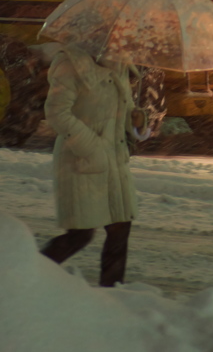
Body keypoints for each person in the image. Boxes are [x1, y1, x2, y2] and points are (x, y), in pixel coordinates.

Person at [39, 43, 146, 287]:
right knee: (80, 234)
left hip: (114, 160)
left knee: (120, 227)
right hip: (81, 159)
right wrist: (92, 147)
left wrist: (136, 120)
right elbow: (57, 112)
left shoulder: (119, 64)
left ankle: (112, 293)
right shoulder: (71, 65)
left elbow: (123, 109)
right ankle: (26, 272)